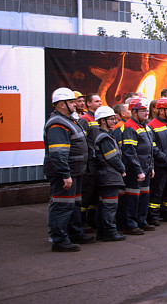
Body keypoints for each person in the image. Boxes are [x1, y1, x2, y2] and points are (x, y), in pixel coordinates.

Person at [44, 87, 92, 252]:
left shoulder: (70, 120)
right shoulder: (57, 124)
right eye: (71, 102)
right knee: (62, 205)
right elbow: (58, 153)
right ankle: (59, 240)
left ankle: (75, 234)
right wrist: (65, 174)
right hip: (66, 174)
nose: (75, 104)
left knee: (74, 205)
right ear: (60, 104)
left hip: (75, 172)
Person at [119, 98, 155, 234]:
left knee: (144, 195)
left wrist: (150, 168)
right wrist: (139, 170)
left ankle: (141, 221)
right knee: (133, 196)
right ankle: (131, 224)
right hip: (134, 169)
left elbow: (149, 149)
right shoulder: (130, 126)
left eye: (146, 110)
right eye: (143, 110)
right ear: (134, 112)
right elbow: (130, 151)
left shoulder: (144, 125)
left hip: (145, 167)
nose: (146, 113)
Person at [93, 106, 126, 241]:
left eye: (114, 118)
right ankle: (109, 232)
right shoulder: (104, 138)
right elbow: (112, 158)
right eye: (111, 119)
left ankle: (102, 232)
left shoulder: (105, 136)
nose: (114, 121)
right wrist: (122, 169)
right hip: (109, 176)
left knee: (104, 204)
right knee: (110, 205)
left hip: (106, 175)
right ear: (102, 121)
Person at [77, 93, 102, 233]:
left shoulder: (99, 118)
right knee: (86, 193)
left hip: (99, 161)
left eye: (100, 101)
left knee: (94, 194)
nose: (99, 103)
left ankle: (93, 220)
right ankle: (82, 222)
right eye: (96, 101)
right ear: (88, 104)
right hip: (89, 162)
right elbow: (82, 141)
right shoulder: (84, 119)